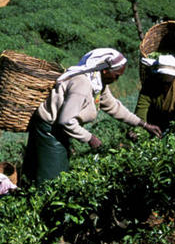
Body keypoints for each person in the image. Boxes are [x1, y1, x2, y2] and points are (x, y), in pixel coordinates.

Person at [23, 48, 162, 186]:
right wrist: (90, 138)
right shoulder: (82, 84)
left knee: (56, 173)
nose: (117, 79)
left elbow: (115, 107)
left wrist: (143, 124)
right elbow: (65, 121)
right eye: (117, 75)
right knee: (50, 180)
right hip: (49, 131)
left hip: (59, 131)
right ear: (105, 70)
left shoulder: (98, 84)